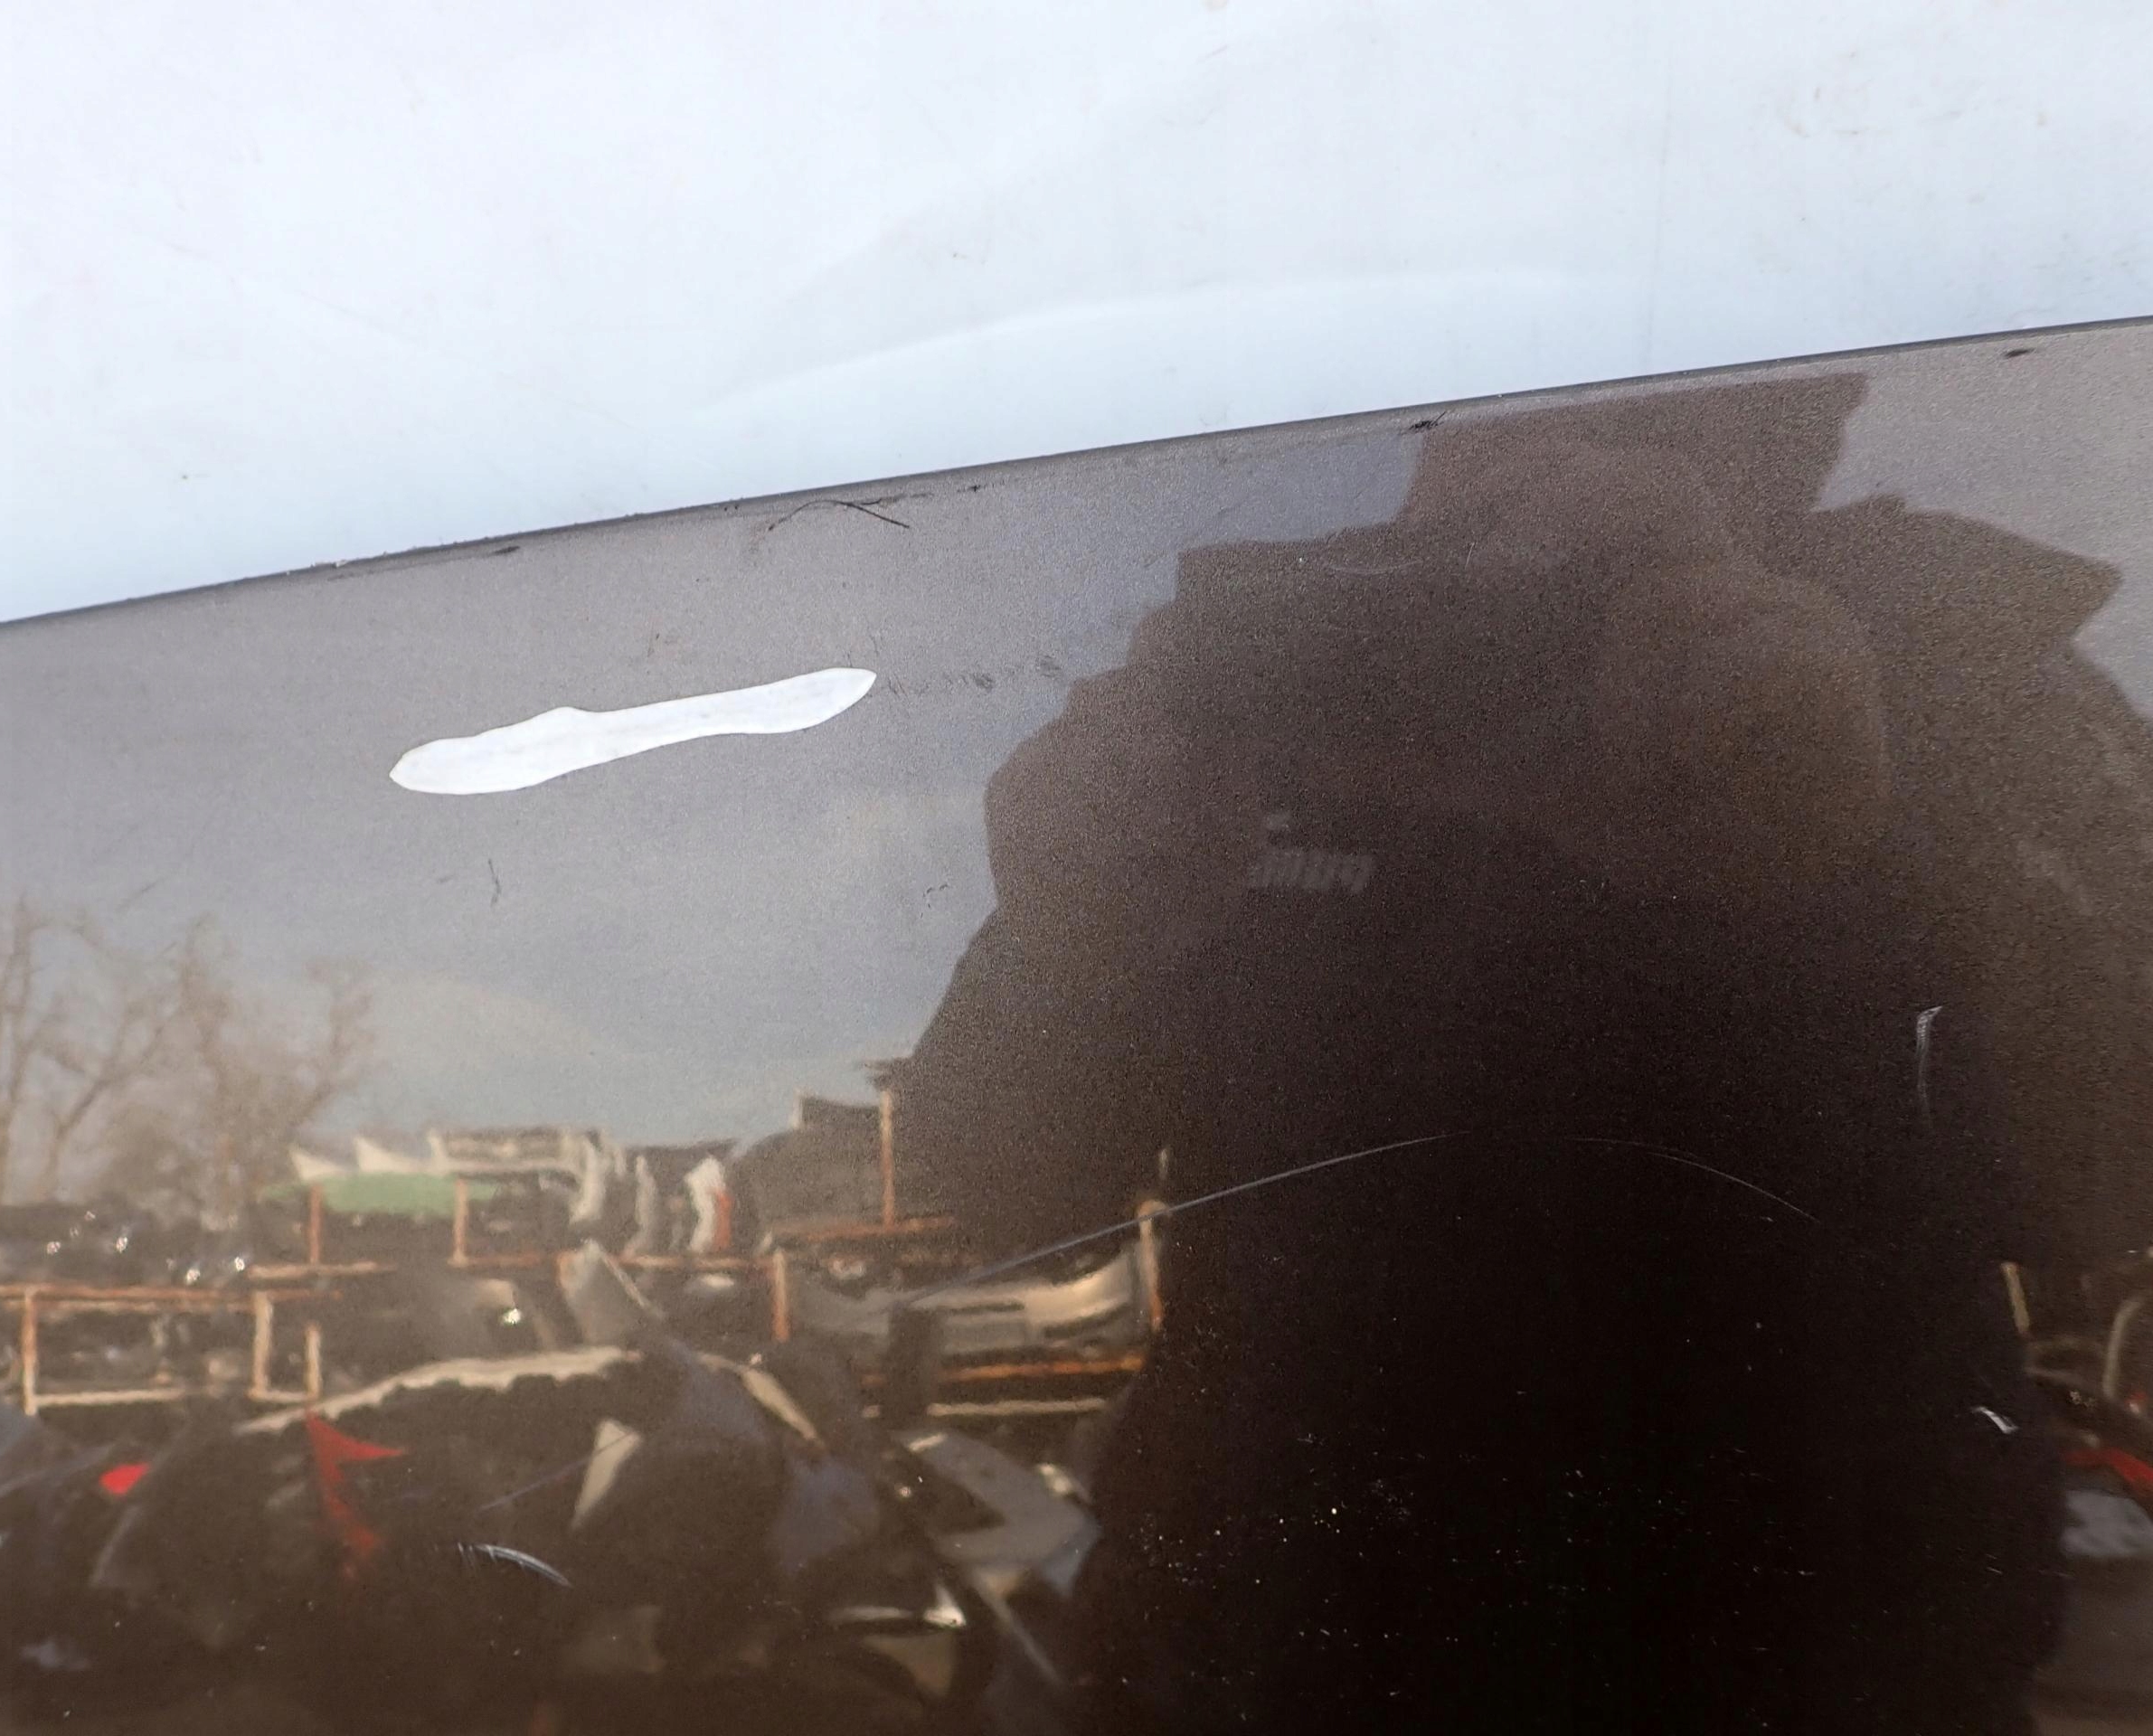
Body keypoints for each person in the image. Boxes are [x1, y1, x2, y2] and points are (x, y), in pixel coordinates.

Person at [899, 375, 2153, 1731]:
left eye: (1656, 412)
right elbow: (1003, 1191)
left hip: (1820, 1663)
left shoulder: (1962, 673)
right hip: (1289, 1657)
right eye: (1485, 403)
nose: (1561, 464)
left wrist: (1874, 828)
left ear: (1811, 428)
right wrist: (1063, 939)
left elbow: (2107, 1186)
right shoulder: (1272, 676)